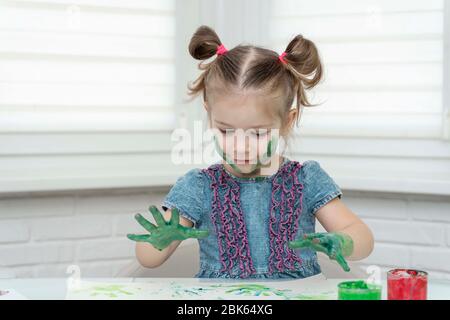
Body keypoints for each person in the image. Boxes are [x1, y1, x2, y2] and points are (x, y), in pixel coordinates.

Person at [127, 25, 374, 279]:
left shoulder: (306, 179)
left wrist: (342, 241)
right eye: (226, 131)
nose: (240, 146)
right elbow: (147, 259)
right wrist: (159, 241)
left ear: (287, 121)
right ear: (210, 116)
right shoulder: (200, 186)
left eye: (257, 134)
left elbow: (363, 238)